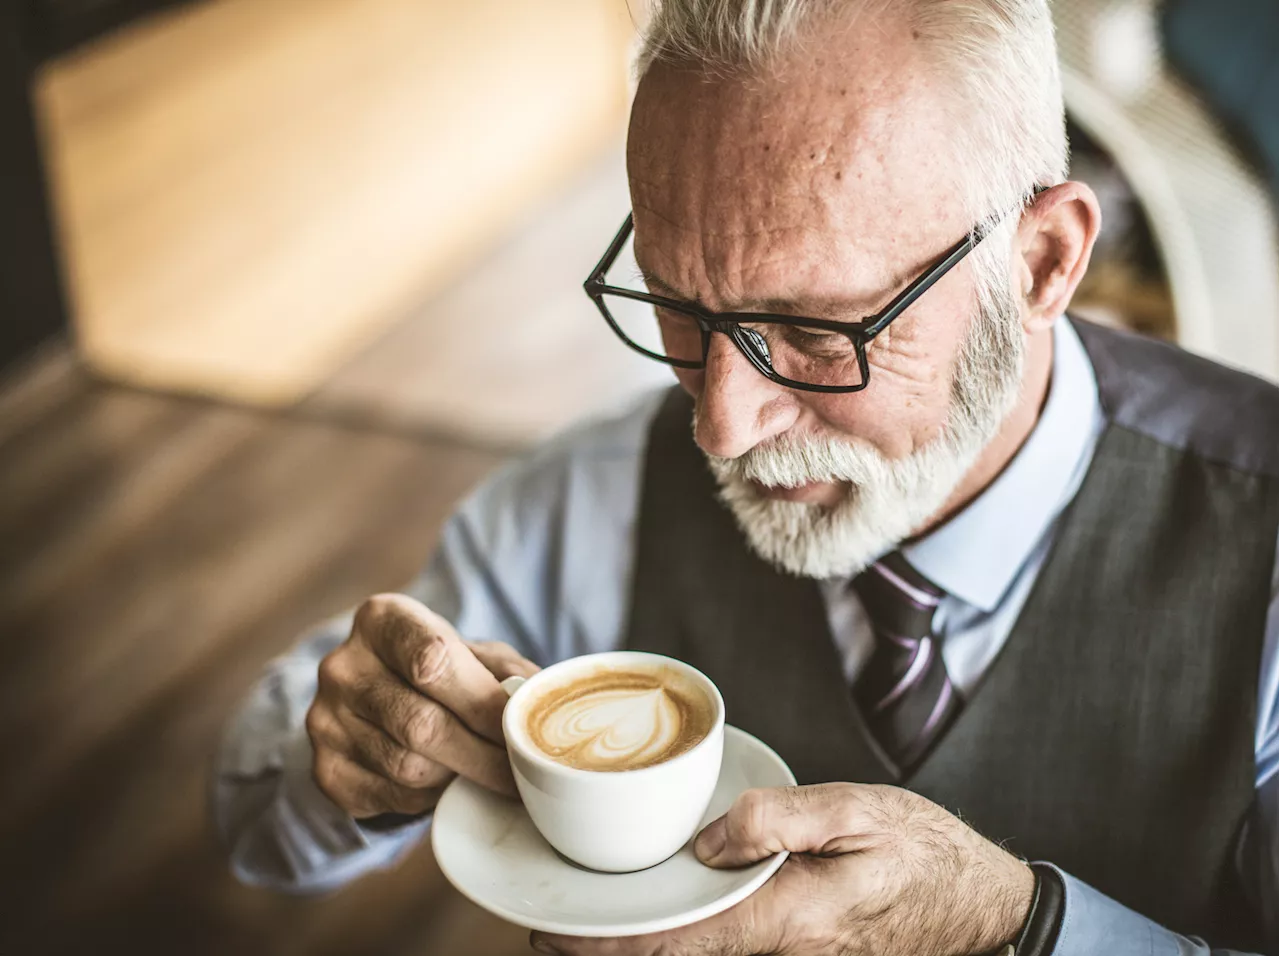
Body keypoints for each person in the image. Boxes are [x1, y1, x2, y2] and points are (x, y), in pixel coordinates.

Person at [214, 1, 1280, 953]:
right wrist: (349, 755)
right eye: (678, 308)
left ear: (1041, 260)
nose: (721, 424)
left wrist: (1017, 926)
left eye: (816, 330)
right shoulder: (591, 498)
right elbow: (256, 817)